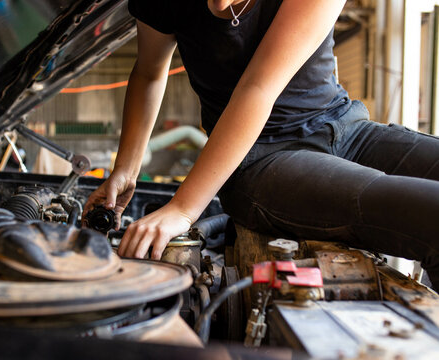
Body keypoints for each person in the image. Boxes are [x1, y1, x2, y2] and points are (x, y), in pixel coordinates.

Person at [83, 0, 439, 289]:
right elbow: (148, 72)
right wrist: (127, 172)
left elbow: (259, 88)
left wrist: (182, 209)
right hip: (264, 160)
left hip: (345, 128)